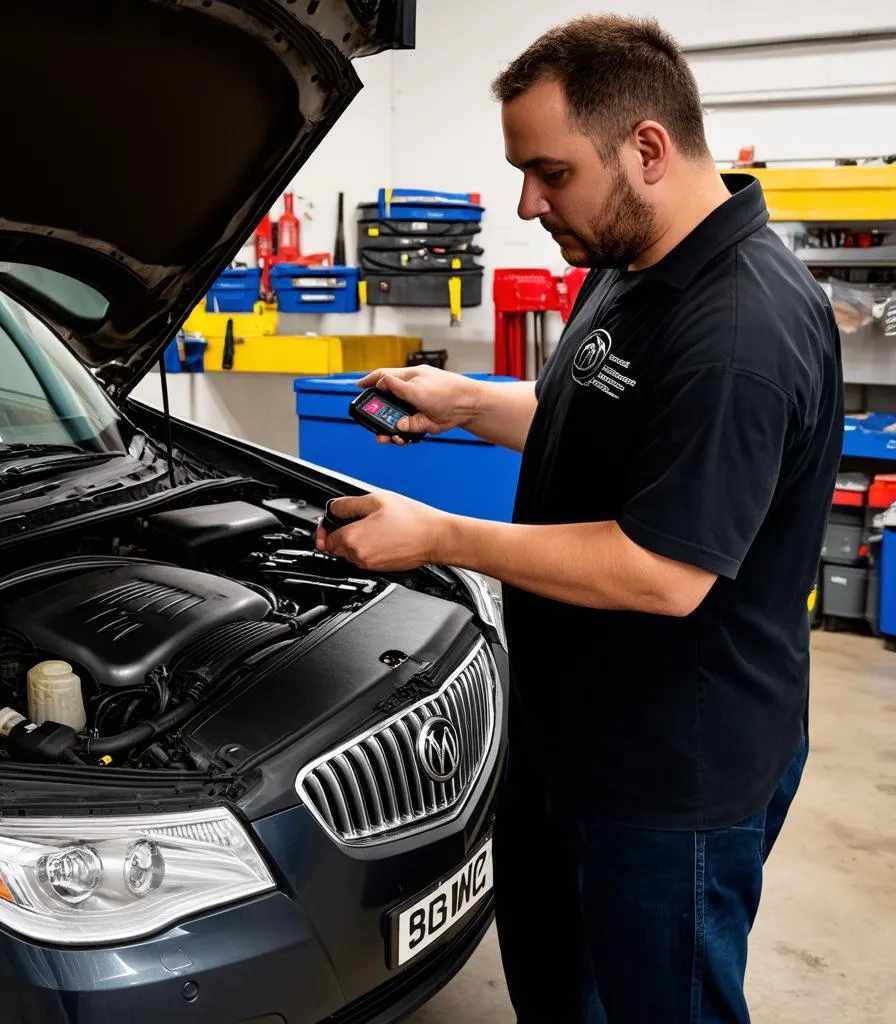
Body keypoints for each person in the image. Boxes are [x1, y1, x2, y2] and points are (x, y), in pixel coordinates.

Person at [315, 13, 843, 1024]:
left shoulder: (737, 329)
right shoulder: (630, 257)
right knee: (560, 992)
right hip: (575, 736)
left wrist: (437, 534)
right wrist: (464, 401)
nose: (528, 201)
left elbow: (660, 569)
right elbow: (595, 421)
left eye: (549, 173)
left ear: (646, 148)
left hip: (670, 778)